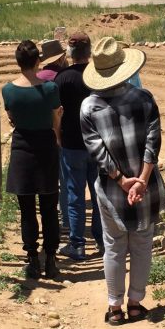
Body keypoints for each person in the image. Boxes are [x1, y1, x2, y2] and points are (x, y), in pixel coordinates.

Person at [80, 37, 165, 326]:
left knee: (114, 245)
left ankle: (115, 308)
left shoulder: (89, 108)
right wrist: (141, 179)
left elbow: (97, 152)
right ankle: (136, 303)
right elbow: (153, 142)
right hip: (147, 187)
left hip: (112, 191)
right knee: (142, 242)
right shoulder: (144, 99)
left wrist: (121, 180)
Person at [2, 40, 63, 279]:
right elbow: (55, 119)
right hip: (45, 147)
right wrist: (56, 136)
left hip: (22, 148)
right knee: (49, 207)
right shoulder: (50, 89)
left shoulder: (8, 90)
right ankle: (50, 259)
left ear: (18, 62)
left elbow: (12, 118)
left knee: (26, 209)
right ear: (39, 60)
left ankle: (32, 260)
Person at [54, 32, 103, 261]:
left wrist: (58, 136)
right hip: (98, 144)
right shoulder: (99, 76)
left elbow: (57, 112)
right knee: (99, 194)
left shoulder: (62, 78)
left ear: (70, 52)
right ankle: (103, 241)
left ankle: (77, 244)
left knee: (74, 195)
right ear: (89, 51)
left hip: (72, 143)